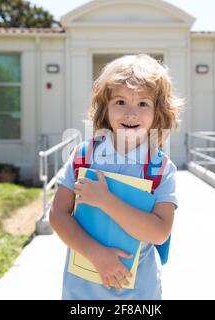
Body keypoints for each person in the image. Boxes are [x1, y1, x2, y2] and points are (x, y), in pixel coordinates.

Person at [50, 54, 184, 300]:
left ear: (158, 112)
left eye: (143, 104)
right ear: (105, 107)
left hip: (139, 293)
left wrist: (105, 200)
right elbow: (58, 214)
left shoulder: (161, 169)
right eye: (120, 102)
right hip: (82, 291)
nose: (131, 113)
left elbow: (159, 232)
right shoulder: (84, 155)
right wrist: (96, 254)